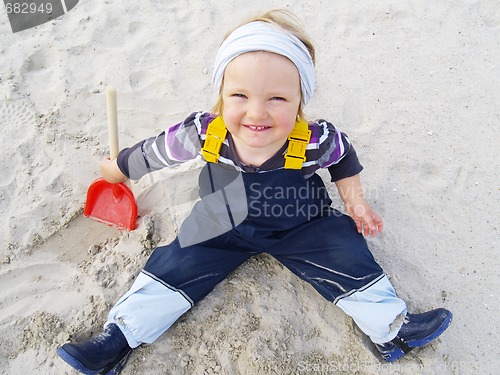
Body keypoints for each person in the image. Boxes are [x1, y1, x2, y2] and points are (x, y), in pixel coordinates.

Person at [57, 9, 452, 374]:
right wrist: (119, 167)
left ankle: (391, 330)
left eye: (277, 98)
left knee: (348, 253)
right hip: (221, 222)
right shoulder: (204, 132)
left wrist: (354, 200)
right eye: (240, 96)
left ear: (300, 101)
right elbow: (156, 151)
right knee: (173, 265)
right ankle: (119, 337)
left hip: (303, 223)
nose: (257, 112)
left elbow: (344, 158)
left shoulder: (314, 140)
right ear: (222, 94)